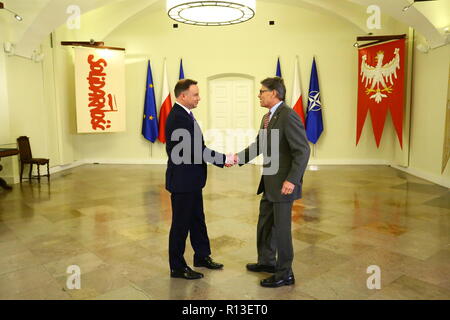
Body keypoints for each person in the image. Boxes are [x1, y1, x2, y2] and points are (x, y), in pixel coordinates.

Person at [235, 77, 310, 287]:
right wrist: (236, 159)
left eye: (262, 91)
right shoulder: (268, 117)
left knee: (282, 230)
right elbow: (259, 145)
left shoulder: (288, 116)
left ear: (274, 93)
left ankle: (285, 273)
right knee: (265, 224)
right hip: (269, 183)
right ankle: (267, 262)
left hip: (284, 185)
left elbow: (303, 151)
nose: (258, 95)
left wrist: (292, 180)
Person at [165, 79, 235, 280]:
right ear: (183, 96)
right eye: (195, 94)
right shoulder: (178, 117)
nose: (199, 97)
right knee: (181, 225)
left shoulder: (186, 115)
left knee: (197, 220)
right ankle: (177, 267)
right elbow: (195, 150)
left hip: (192, 180)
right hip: (183, 181)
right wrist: (224, 159)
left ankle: (202, 256)